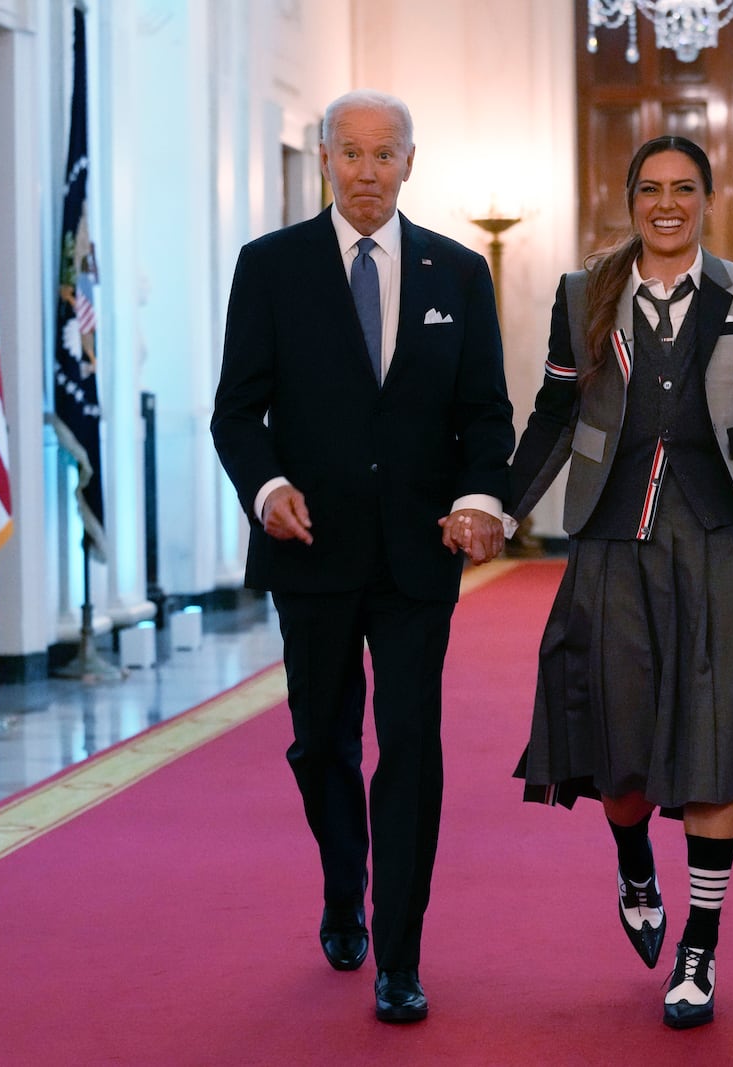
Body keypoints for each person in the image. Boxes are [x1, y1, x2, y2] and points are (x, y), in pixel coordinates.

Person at [506, 135, 733, 1030]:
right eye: (649, 189)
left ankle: (699, 949)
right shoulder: (582, 291)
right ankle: (635, 861)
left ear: (707, 199)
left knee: (719, 743)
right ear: (629, 198)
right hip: (612, 542)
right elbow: (556, 410)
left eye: (683, 189)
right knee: (620, 748)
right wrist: (499, 504)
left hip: (722, 546)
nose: (665, 203)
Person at [210, 89, 513, 1024]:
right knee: (322, 743)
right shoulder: (270, 267)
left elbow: (486, 414)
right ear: (327, 160)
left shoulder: (457, 273)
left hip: (420, 557)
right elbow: (236, 412)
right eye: (352, 154)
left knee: (411, 748)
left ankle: (400, 953)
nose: (368, 171)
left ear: (411, 163)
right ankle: (345, 886)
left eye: (386, 155)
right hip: (313, 551)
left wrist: (475, 499)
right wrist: (267, 490)